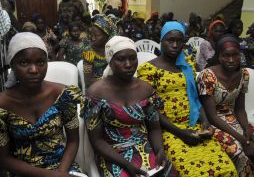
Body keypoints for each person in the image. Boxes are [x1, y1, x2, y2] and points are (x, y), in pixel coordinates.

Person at [137, 21, 237, 176]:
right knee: (193, 172)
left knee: (226, 168)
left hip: (193, 127)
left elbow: (196, 98)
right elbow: (151, 110)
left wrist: (204, 122)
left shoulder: (187, 65)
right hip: (167, 130)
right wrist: (180, 132)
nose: (175, 45)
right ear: (161, 41)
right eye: (170, 40)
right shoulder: (148, 69)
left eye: (179, 41)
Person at [83, 36, 177, 176]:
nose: (128, 64)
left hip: (144, 148)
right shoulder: (95, 93)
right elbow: (97, 140)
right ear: (110, 61)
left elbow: (154, 128)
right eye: (121, 59)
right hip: (113, 155)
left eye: (133, 58)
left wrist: (159, 151)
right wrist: (126, 164)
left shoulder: (146, 89)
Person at [0, 32, 85, 176]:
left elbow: (73, 141)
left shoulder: (63, 95)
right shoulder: (2, 105)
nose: (34, 70)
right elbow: (4, 158)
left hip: (62, 167)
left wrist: (61, 172)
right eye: (24, 63)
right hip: (23, 172)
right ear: (12, 65)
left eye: (40, 62)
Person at [197, 34, 254, 176]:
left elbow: (240, 108)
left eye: (235, 55)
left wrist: (246, 130)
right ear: (219, 56)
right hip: (213, 124)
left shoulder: (244, 74)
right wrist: (242, 140)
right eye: (226, 55)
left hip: (232, 117)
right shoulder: (208, 76)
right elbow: (212, 116)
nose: (231, 60)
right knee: (239, 152)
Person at [82, 15, 117, 89]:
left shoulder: (112, 50)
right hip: (95, 88)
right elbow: (88, 81)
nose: (93, 38)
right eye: (91, 35)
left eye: (97, 35)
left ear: (107, 36)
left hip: (113, 85)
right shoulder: (88, 52)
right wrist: (109, 82)